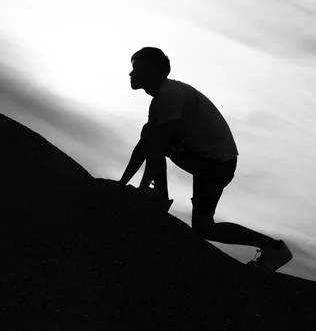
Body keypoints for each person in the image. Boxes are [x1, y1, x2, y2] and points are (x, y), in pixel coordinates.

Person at [108, 46, 293, 273]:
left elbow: (155, 147)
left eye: (135, 68)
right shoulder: (162, 99)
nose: (130, 74)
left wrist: (140, 191)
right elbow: (146, 146)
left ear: (152, 71)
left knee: (204, 227)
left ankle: (274, 248)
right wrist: (123, 182)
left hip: (215, 164)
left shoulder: (170, 96)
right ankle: (159, 197)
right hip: (206, 159)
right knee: (151, 135)